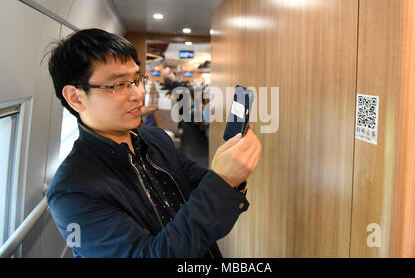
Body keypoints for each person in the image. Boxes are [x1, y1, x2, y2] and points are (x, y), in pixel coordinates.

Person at [46, 28, 262, 258]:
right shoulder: (72, 192)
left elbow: (200, 185)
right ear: (75, 97)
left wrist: (231, 176)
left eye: (137, 79)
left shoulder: (155, 138)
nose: (138, 93)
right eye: (119, 84)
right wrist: (223, 181)